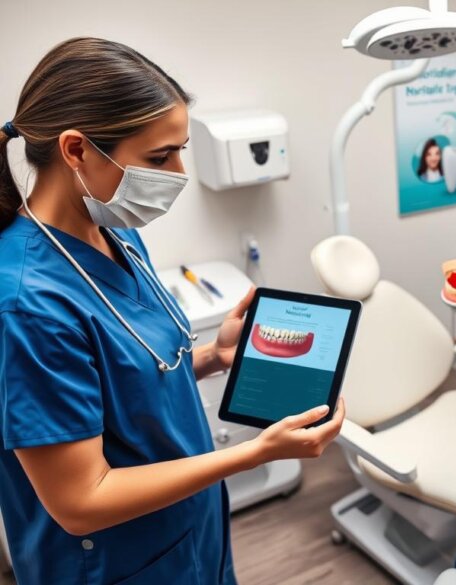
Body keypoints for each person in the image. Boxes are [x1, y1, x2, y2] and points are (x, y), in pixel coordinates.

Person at [0, 38, 343, 584]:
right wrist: (255, 454)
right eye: (160, 157)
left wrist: (214, 356)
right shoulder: (27, 306)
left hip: (186, 529)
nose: (179, 173)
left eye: (180, 150)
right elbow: (81, 500)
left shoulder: (116, 233)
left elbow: (125, 379)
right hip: (114, 562)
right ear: (76, 150)